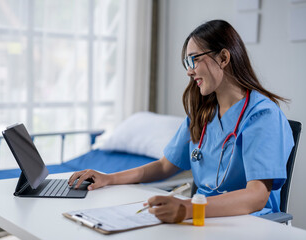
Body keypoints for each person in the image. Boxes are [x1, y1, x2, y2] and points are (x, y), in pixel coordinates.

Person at [68, 19, 294, 223]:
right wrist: (109, 178)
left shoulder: (262, 115)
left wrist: (187, 208)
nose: (189, 72)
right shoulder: (203, 112)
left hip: (248, 223)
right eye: (187, 63)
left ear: (223, 58)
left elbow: (256, 196)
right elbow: (165, 166)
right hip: (202, 218)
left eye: (194, 60)